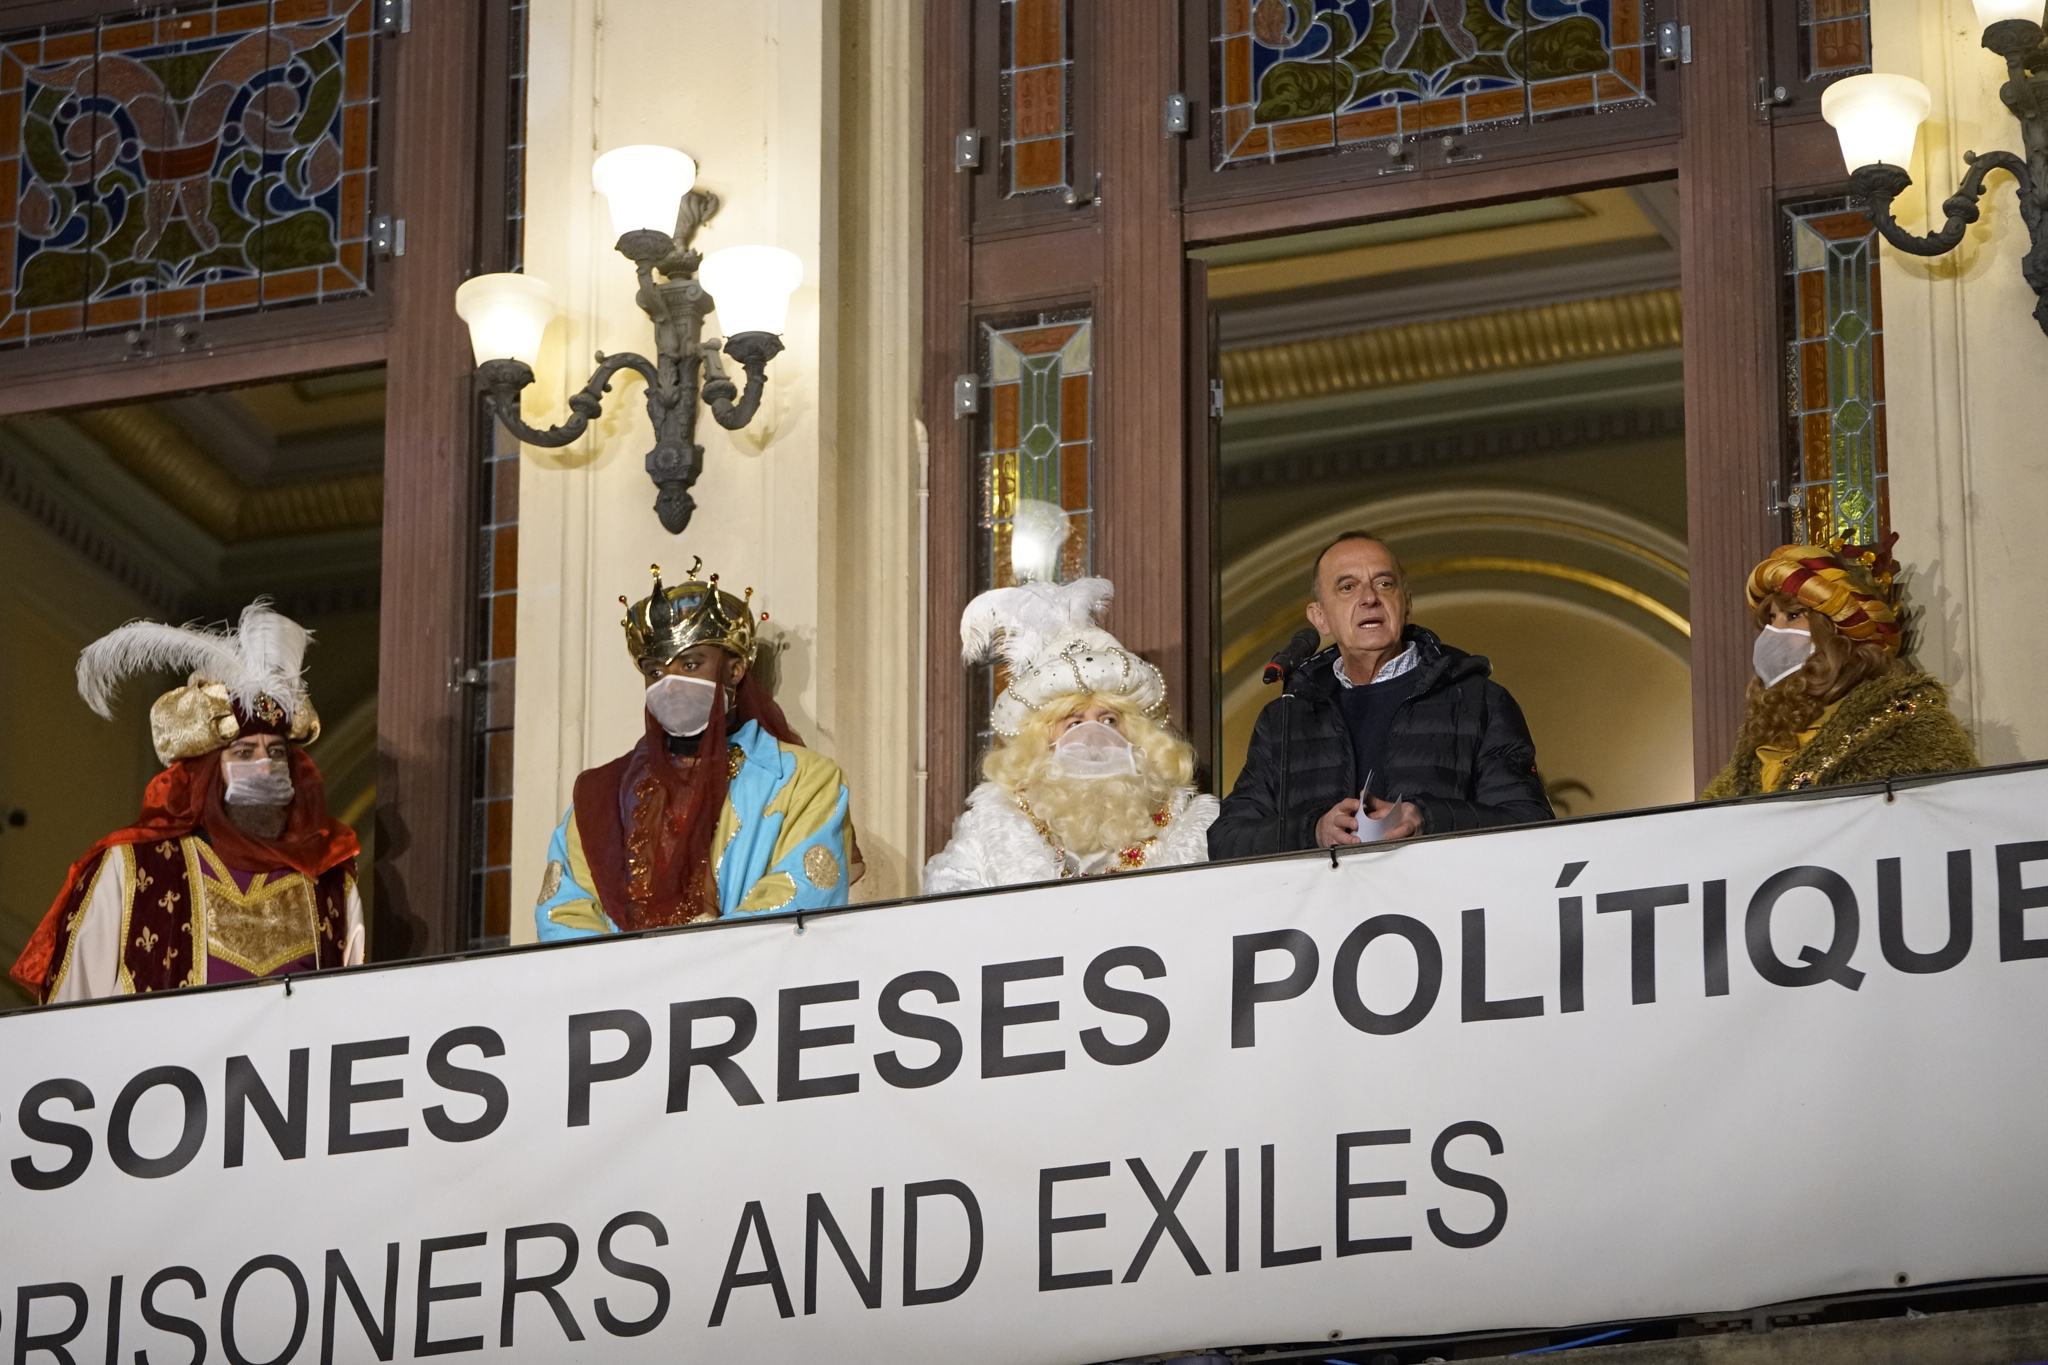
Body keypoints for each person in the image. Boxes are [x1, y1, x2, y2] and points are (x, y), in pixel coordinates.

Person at [9, 601, 364, 1003]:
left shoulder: (330, 887)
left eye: (277, 753)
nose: (265, 769)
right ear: (206, 775)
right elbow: (70, 1016)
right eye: (244, 753)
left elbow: (350, 1014)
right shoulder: (131, 870)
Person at [535, 562, 857, 938]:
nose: (670, 684)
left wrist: (690, 965)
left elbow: (800, 898)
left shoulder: (804, 780)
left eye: (690, 664)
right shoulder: (600, 796)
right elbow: (565, 912)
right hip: (624, 992)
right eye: (655, 672)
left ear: (734, 670)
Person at [1209, 530, 1552, 858]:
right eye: (1347, 587)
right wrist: (1313, 832)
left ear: (1406, 605)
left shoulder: (1479, 701)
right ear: (1320, 617)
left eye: (1384, 584)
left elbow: (1532, 823)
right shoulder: (1284, 718)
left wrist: (1426, 822)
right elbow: (1226, 839)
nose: (1369, 598)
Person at [924, 577, 1217, 891]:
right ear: (1044, 741)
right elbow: (947, 899)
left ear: (1137, 735)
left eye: (1108, 721)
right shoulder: (992, 826)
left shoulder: (1185, 823)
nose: (1093, 739)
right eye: (1074, 724)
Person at [1701, 539, 1976, 797]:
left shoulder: (1907, 722)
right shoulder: (1760, 738)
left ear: (1835, 630)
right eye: (1771, 619)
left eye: (1793, 616)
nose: (1773, 633)